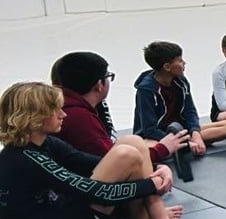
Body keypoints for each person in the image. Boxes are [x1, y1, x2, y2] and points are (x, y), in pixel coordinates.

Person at [0, 82, 196, 219]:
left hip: (65, 213)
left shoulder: (44, 143)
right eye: (55, 110)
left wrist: (157, 167)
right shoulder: (27, 159)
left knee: (132, 142)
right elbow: (101, 193)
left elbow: (91, 162)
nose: (63, 114)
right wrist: (152, 184)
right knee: (125, 153)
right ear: (34, 118)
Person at [50, 51, 184, 163]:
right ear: (99, 85)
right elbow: (113, 162)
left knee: (134, 142)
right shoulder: (79, 118)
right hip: (92, 177)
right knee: (137, 145)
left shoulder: (71, 106)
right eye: (108, 76)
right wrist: (162, 149)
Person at [133, 41, 226, 157]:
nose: (184, 63)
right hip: (157, 136)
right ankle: (184, 145)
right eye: (180, 61)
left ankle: (185, 145)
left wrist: (195, 133)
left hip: (182, 130)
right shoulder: (146, 91)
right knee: (147, 149)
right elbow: (149, 129)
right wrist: (185, 140)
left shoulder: (181, 82)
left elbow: (190, 111)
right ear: (167, 67)